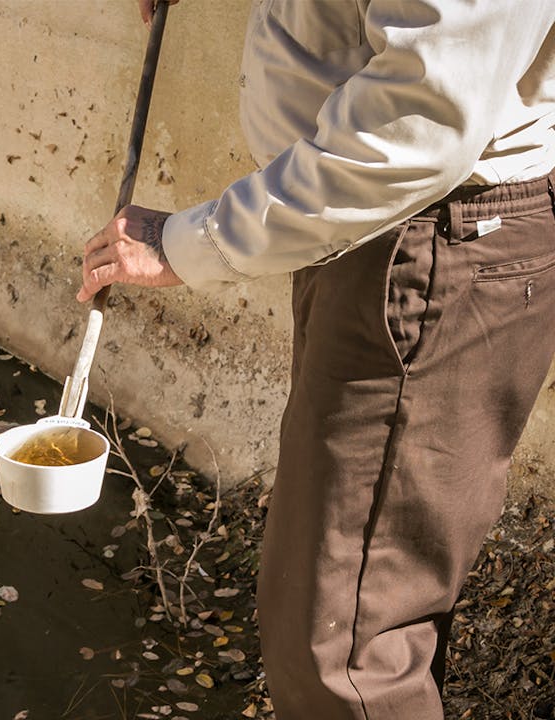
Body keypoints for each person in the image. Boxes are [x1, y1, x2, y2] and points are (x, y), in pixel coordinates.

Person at [78, 1, 555, 718]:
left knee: (343, 651)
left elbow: (421, 122)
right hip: (377, 234)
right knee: (367, 619)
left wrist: (191, 244)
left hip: (425, 235)